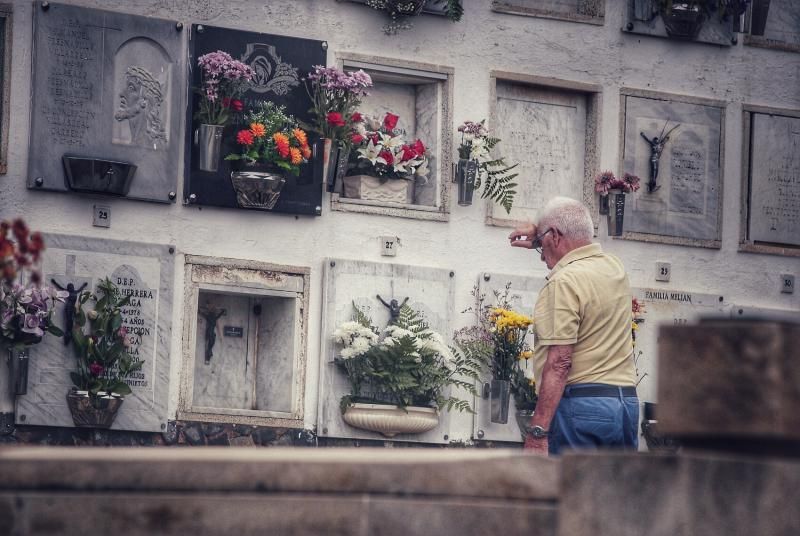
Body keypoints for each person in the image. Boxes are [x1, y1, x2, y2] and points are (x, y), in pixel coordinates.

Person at [508, 197, 639, 456]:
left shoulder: (564, 281)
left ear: (554, 236)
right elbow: (571, 240)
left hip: (581, 409)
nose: (541, 255)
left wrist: (537, 433)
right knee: (614, 496)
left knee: (569, 495)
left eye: (542, 246)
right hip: (625, 407)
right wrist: (541, 236)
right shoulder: (615, 268)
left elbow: (560, 362)